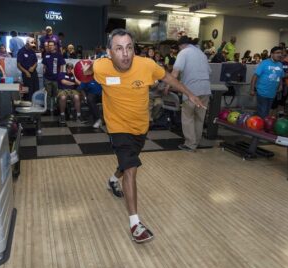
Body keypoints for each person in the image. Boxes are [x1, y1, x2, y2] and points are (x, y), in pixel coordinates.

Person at [81, 29, 205, 243]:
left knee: (127, 163)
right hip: (117, 127)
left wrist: (190, 94)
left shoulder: (146, 65)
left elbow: (168, 78)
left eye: (129, 47)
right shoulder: (102, 66)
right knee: (131, 168)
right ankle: (135, 224)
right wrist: (83, 69)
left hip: (140, 126)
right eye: (119, 49)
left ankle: (112, 180)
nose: (125, 54)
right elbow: (87, 71)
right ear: (110, 52)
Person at [170, 35, 211, 152]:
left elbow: (175, 72)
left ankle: (190, 144)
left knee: (188, 117)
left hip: (191, 91)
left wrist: (168, 85)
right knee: (199, 117)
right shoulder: (201, 53)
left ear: (181, 46)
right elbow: (209, 71)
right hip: (205, 89)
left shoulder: (184, 53)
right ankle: (196, 142)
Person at [250, 46, 284, 118]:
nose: (280, 55)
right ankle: (258, 126)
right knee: (263, 112)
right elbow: (255, 76)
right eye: (277, 53)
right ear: (272, 54)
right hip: (262, 92)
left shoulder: (280, 65)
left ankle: (256, 121)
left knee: (267, 111)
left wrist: (281, 85)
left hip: (272, 93)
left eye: (281, 53)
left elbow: (280, 76)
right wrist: (252, 89)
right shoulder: (264, 63)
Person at [42, 40, 66, 112]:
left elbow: (62, 65)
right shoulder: (46, 54)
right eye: (49, 45)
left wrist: (61, 75)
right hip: (47, 78)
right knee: (48, 95)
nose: (50, 47)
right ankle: (48, 109)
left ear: (55, 46)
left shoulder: (59, 55)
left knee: (56, 95)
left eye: (51, 45)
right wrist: (44, 71)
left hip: (56, 79)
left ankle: (56, 109)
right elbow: (44, 65)